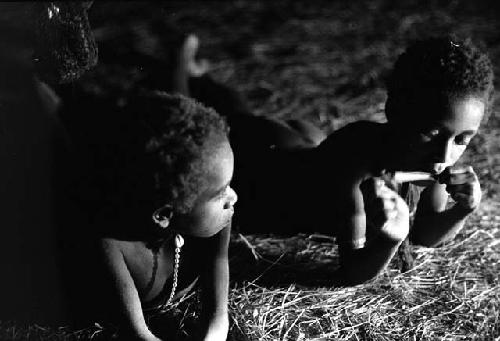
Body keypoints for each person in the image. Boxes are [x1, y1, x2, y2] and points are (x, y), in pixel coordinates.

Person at [172, 35, 494, 286]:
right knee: (218, 124)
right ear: (396, 112)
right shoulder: (356, 163)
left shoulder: (434, 158)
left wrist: (461, 209)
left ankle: (201, 77)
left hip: (304, 147)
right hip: (273, 173)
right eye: (431, 132)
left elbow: (426, 234)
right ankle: (178, 75)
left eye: (462, 139)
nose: (445, 154)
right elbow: (352, 270)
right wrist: (388, 241)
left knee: (246, 115)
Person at [64, 93, 237, 341]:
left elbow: (218, 315)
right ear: (164, 215)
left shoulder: (217, 221)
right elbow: (138, 335)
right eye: (221, 193)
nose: (233, 198)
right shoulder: (110, 244)